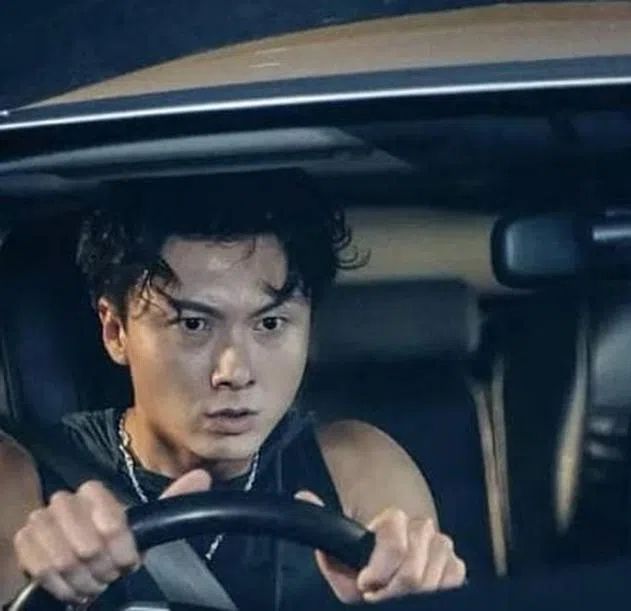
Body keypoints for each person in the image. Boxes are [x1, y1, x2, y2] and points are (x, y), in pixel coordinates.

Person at [0, 172, 466, 609]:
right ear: (115, 331)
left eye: (270, 323)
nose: (235, 372)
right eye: (193, 324)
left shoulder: (358, 471)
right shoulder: (24, 481)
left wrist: (414, 595)